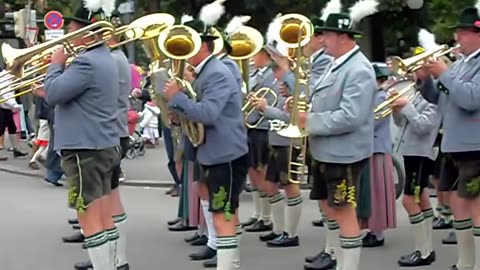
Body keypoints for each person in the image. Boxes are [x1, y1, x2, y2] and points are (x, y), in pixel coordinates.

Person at [164, 18, 248, 270]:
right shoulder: (206, 72)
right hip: (215, 152)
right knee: (223, 214)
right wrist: (178, 112)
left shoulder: (217, 73)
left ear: (204, 44)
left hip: (225, 154)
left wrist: (177, 98)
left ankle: (228, 265)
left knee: (224, 216)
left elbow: (209, 113)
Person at [45, 3, 121, 270]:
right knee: (102, 214)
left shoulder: (86, 61)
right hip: (101, 144)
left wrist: (54, 66)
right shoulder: (104, 58)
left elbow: (55, 94)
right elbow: (72, 96)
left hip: (84, 149)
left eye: (72, 27)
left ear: (87, 32)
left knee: (87, 215)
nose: (67, 31)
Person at [299, 12, 376, 270]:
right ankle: (338, 260)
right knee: (332, 210)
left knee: (345, 213)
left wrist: (308, 121)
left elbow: (350, 116)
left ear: (342, 37)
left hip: (344, 155)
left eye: (326, 35)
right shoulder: (337, 63)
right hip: (327, 152)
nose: (321, 40)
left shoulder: (359, 69)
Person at [419, 6, 480, 270]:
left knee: (475, 206)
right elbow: (439, 99)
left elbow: (470, 99)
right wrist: (426, 80)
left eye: (463, 32)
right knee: (457, 204)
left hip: (475, 146)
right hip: (454, 144)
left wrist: (444, 72)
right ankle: (465, 262)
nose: (457, 38)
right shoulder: (462, 62)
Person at [71, 11, 132, 270]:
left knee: (104, 204)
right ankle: (113, 259)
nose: (69, 37)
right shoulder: (113, 57)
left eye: (73, 30)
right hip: (112, 133)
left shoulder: (105, 58)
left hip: (105, 135)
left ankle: (114, 260)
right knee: (106, 202)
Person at [389, 64, 441, 266]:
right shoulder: (416, 93)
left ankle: (423, 251)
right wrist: (396, 109)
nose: (414, 73)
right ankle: (427, 249)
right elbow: (403, 123)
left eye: (419, 69)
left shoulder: (434, 97)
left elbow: (423, 126)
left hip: (421, 154)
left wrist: (406, 106)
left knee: (409, 201)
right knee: (422, 200)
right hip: (411, 152)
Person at [358, 63, 396, 248]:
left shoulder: (382, 97)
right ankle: (371, 229)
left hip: (377, 149)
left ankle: (378, 232)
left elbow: (373, 122)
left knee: (377, 191)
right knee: (369, 191)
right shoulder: (373, 96)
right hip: (369, 148)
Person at [0, 68, 28, 158]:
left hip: (6, 106)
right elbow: (5, 93)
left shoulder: (9, 76)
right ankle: (16, 149)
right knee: (1, 129)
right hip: (3, 105)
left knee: (12, 127)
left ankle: (16, 149)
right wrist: (14, 105)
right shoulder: (4, 77)